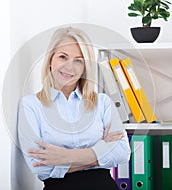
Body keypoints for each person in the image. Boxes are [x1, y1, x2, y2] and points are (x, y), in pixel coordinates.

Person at [17, 26, 130, 190]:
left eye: (78, 60)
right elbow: (40, 166)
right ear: (50, 60)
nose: (70, 67)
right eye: (63, 57)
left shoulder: (103, 102)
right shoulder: (30, 105)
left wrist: (65, 157)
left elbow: (122, 152)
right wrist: (100, 151)